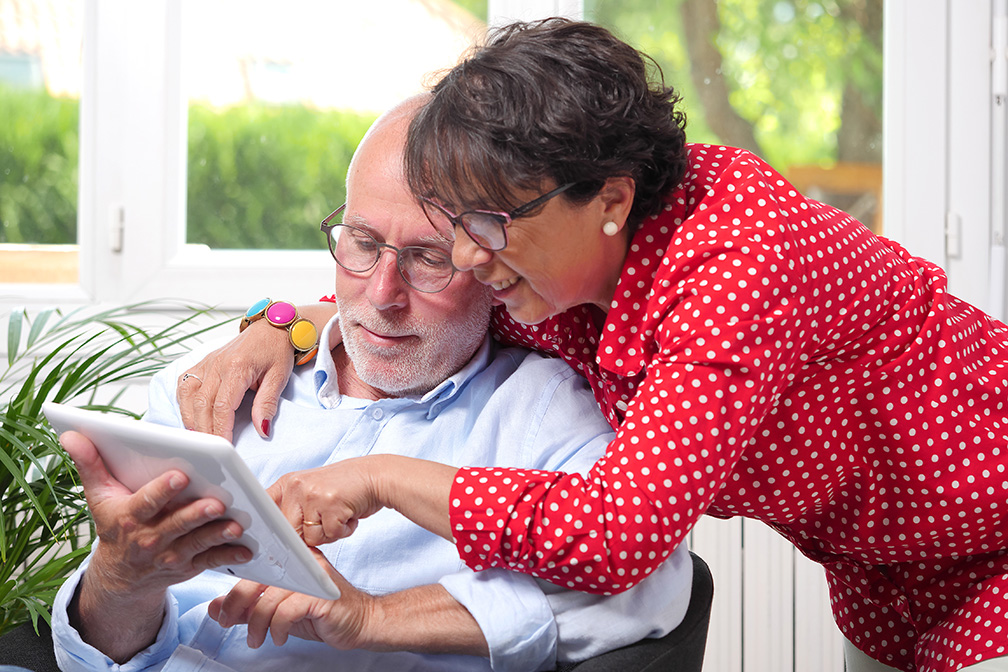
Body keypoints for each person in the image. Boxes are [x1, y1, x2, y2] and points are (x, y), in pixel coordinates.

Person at [175, 18, 1008, 672]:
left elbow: (618, 533)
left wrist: (380, 478)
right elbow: (406, 300)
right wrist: (278, 326)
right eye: (456, 225)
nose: (467, 255)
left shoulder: (735, 264)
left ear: (610, 196)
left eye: (487, 224)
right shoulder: (555, 269)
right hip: (880, 568)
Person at [49, 95, 693, 672]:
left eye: (429, 259)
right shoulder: (213, 390)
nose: (382, 295)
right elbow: (99, 652)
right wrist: (118, 580)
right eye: (361, 242)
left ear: (494, 263)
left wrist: (375, 616)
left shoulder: (545, 413)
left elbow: (645, 593)